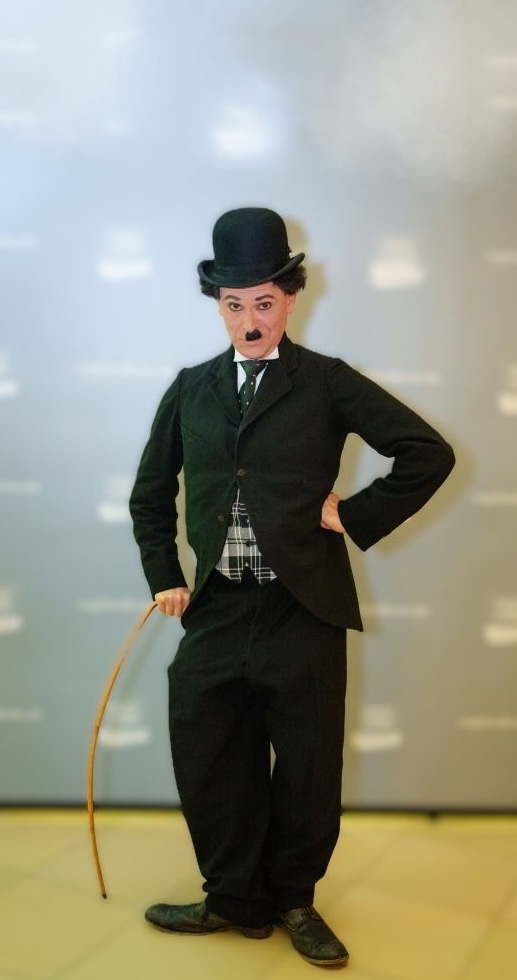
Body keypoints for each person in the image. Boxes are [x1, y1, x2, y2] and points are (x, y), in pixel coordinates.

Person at [129, 207, 455, 967]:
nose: (250, 321)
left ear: (291, 298)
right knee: (211, 755)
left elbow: (426, 452)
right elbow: (150, 495)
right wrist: (165, 576)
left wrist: (354, 513)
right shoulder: (191, 389)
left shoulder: (326, 382)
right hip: (216, 609)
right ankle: (232, 898)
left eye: (265, 303)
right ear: (218, 304)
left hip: (301, 607)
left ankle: (293, 901)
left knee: (307, 767)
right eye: (234, 304)